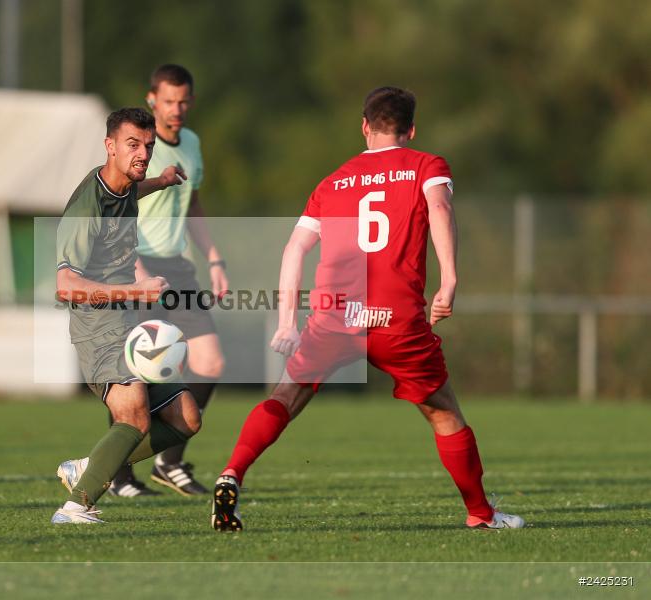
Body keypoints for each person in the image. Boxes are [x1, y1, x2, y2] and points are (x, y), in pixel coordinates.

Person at [210, 87, 525, 532]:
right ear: (411, 130)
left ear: (364, 126)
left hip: (333, 315)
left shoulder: (332, 181)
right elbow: (439, 206)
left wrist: (286, 321)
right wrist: (450, 279)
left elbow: (295, 249)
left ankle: (232, 473)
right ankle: (480, 513)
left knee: (286, 395)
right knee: (444, 412)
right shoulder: (425, 166)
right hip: (395, 318)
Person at [51, 107, 201, 524]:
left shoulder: (124, 186)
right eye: (133, 145)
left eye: (148, 147)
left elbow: (132, 192)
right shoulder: (88, 208)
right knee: (133, 412)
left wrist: (162, 181)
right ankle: (76, 506)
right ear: (110, 146)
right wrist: (134, 290)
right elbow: (65, 287)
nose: (142, 154)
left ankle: (91, 466)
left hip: (127, 322)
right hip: (97, 325)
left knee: (186, 417)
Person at [109, 64, 226, 498]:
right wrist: (134, 267)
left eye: (184, 101)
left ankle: (168, 462)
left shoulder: (191, 144)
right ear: (152, 99)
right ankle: (118, 475)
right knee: (135, 375)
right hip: (134, 264)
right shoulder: (140, 147)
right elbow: (116, 206)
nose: (177, 109)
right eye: (169, 100)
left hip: (178, 266)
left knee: (210, 362)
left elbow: (192, 204)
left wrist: (215, 259)